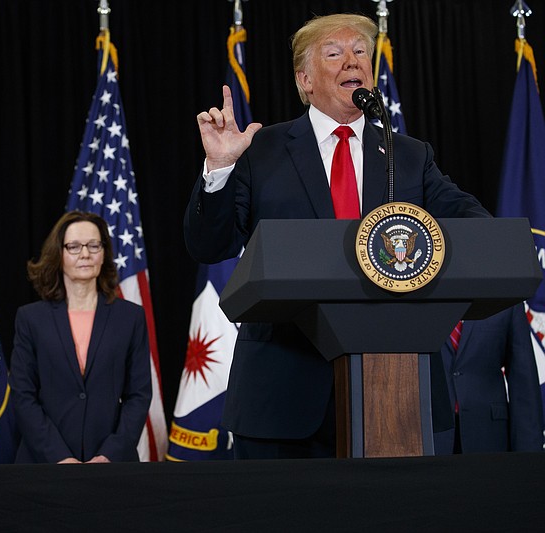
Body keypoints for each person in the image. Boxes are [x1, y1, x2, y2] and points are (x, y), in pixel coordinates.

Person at [184, 13, 491, 459]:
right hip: (283, 395)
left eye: (361, 52)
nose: (353, 61)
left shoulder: (407, 156)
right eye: (335, 53)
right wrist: (220, 169)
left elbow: (472, 223)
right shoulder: (261, 150)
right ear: (304, 79)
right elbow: (209, 245)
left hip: (395, 395)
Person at [10, 211, 152, 464]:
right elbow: (23, 396)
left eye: (94, 245)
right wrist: (59, 456)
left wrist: (109, 455)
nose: (85, 254)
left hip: (111, 466)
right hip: (44, 464)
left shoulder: (130, 317)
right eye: (74, 247)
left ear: (104, 252)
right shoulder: (31, 319)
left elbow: (139, 395)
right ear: (59, 254)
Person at [432, 304, 544, 454]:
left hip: (490, 437)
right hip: (428, 437)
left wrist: (530, 456)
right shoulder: (414, 290)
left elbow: (523, 381)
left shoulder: (506, 295)